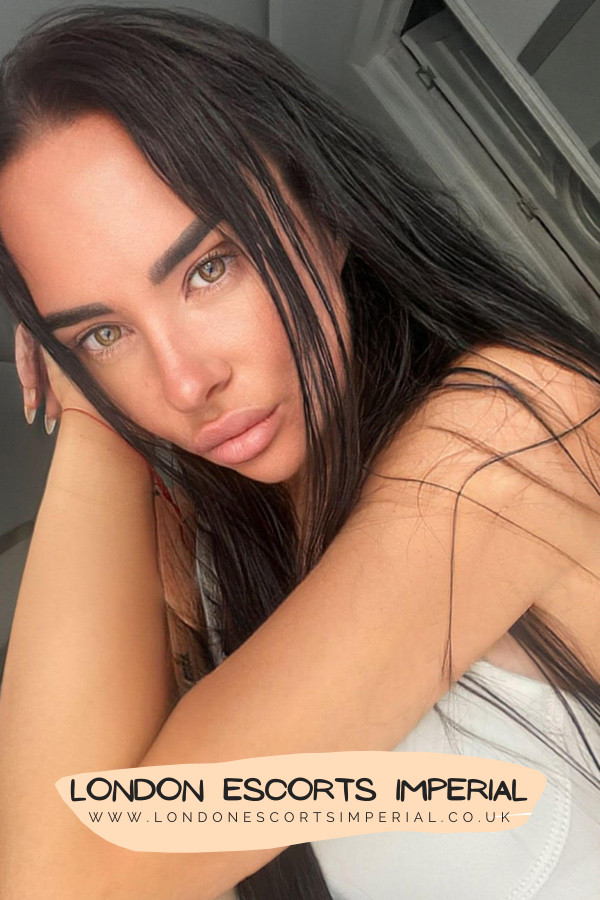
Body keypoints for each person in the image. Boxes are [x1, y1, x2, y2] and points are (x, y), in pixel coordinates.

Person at [0, 6, 598, 899]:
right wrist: (96, 397)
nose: (185, 382)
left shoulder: (508, 441)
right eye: (103, 333)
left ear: (326, 212)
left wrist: (90, 424)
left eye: (209, 267)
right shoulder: (210, 557)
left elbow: (64, 880)